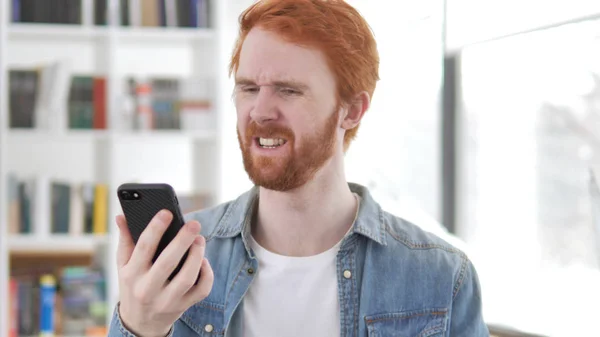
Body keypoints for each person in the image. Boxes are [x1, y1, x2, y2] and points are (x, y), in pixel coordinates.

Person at [108, 0, 489, 336]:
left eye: (288, 90)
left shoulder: (440, 277)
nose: (259, 111)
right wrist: (139, 328)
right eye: (248, 88)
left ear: (352, 110)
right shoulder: (183, 257)